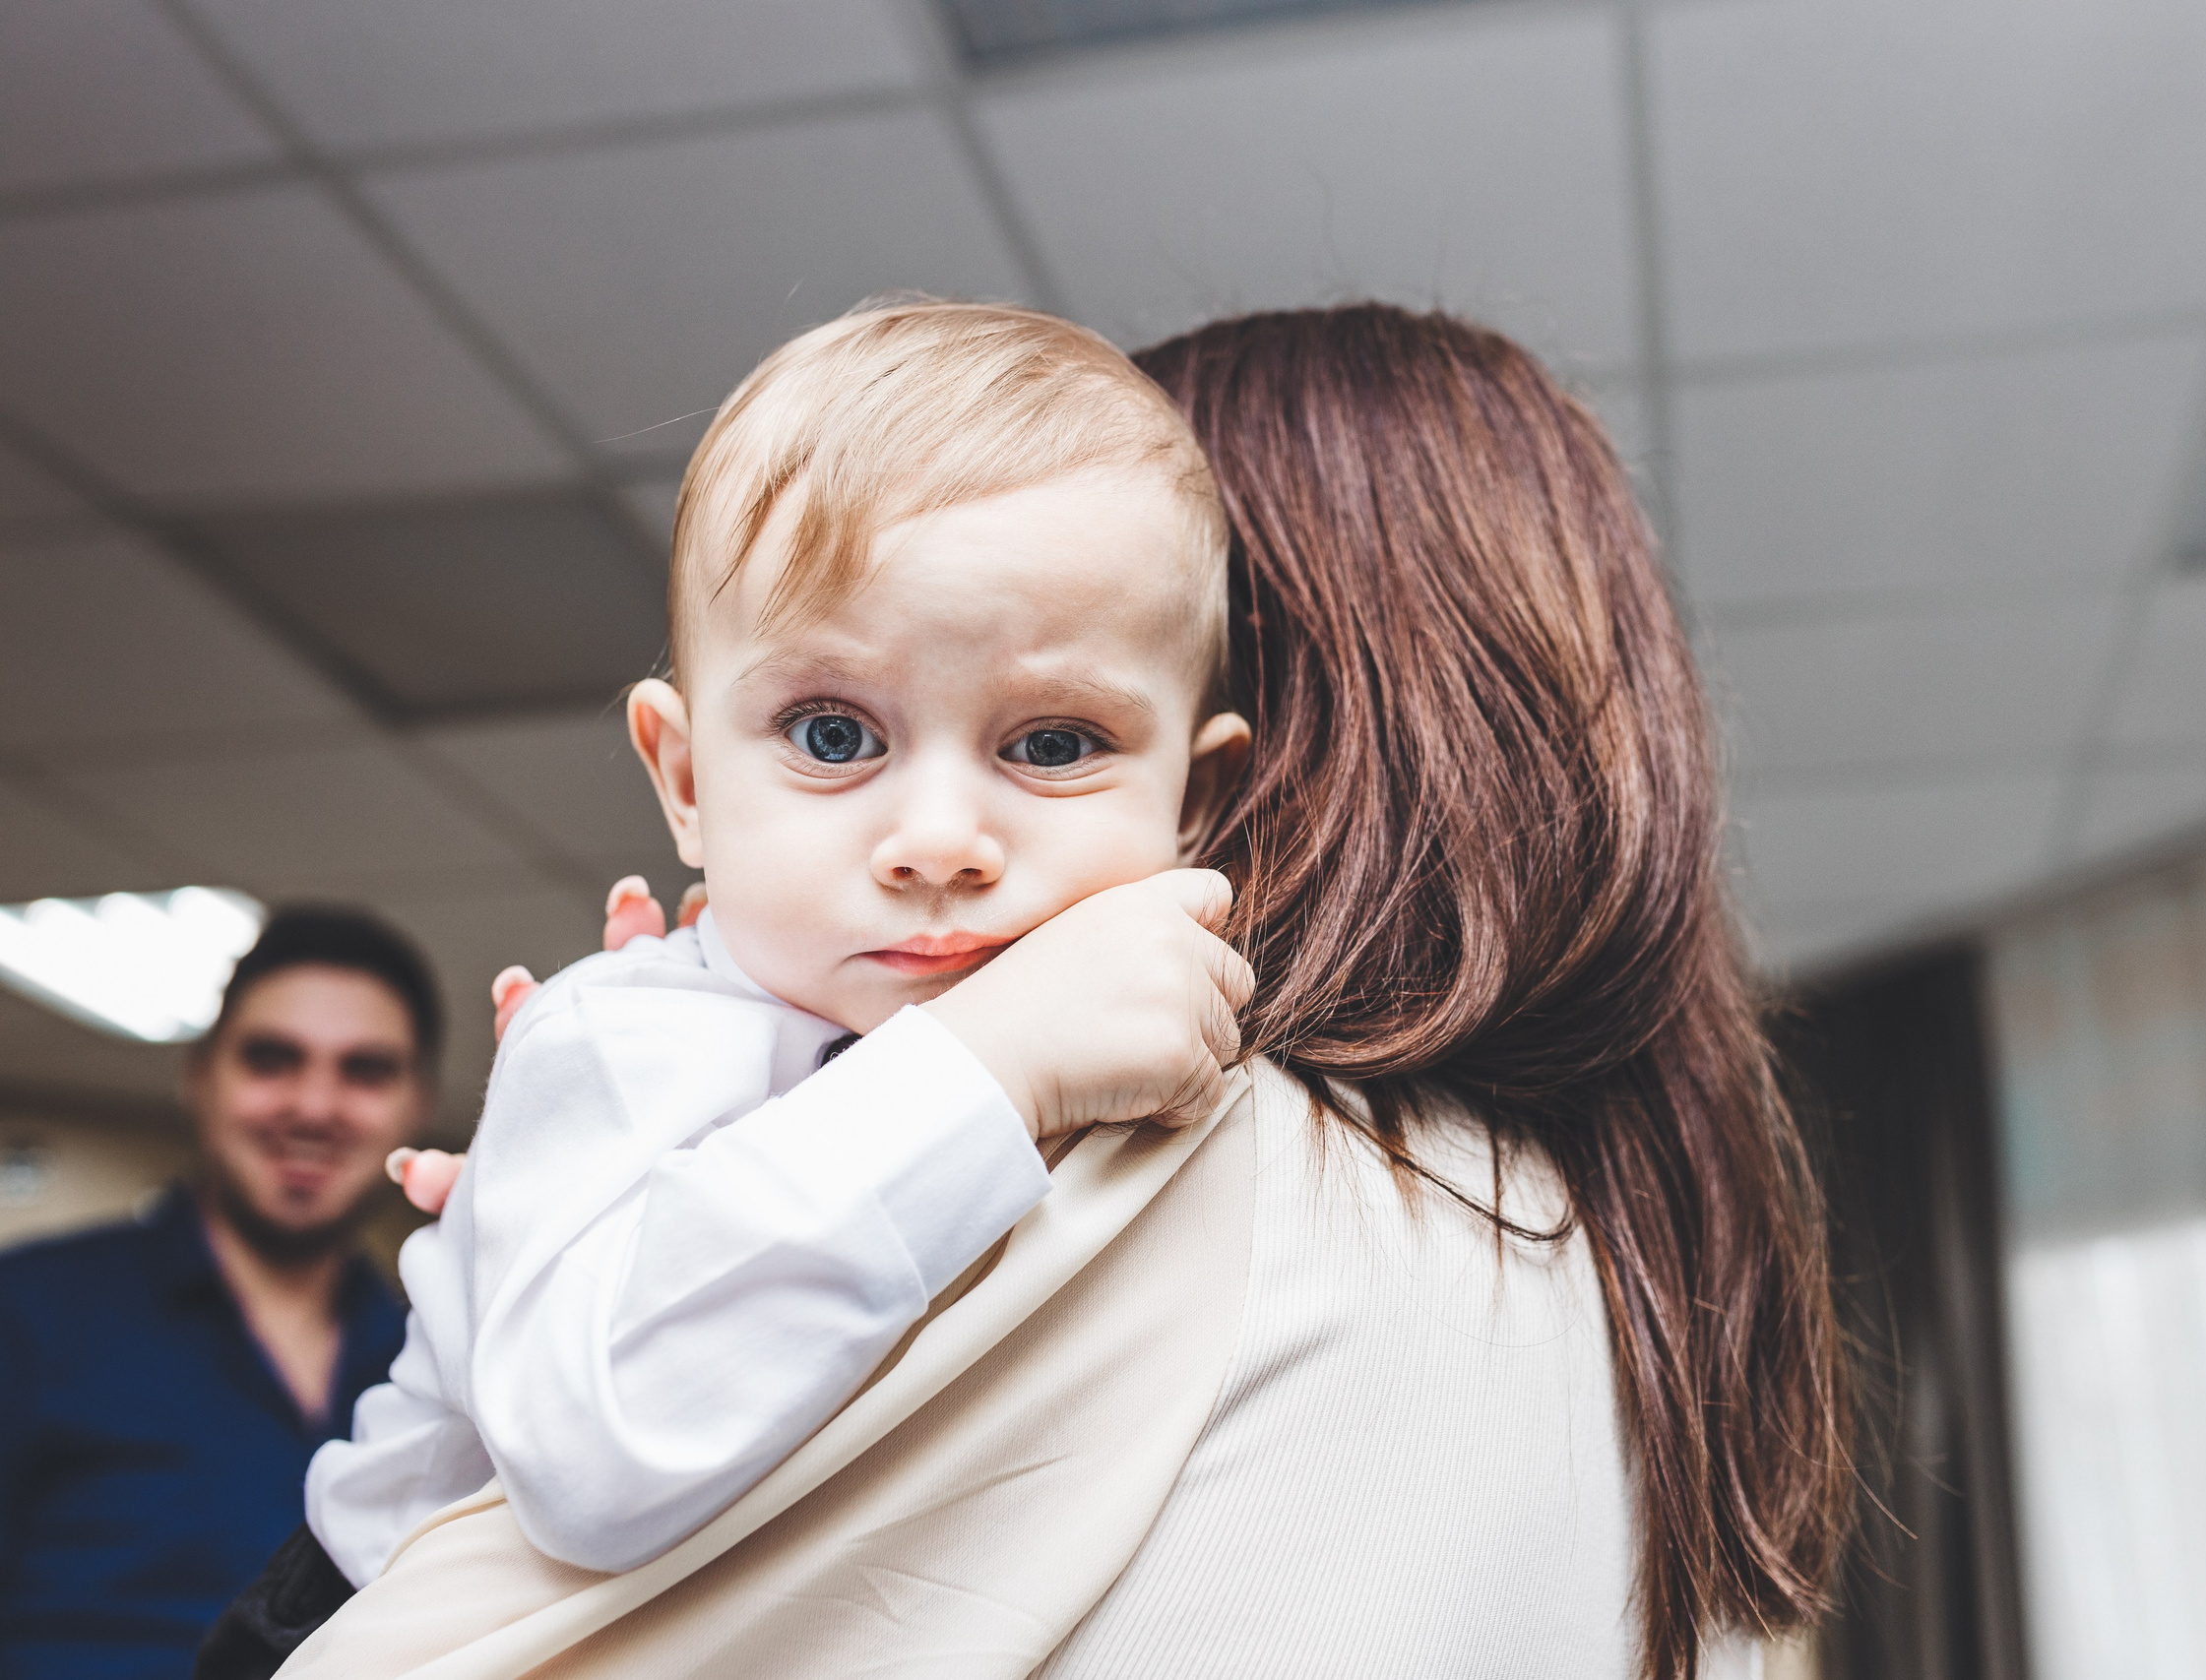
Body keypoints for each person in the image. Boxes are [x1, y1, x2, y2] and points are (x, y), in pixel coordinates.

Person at [267, 303, 1850, 1680]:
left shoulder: (1205, 1152)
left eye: (1054, 740)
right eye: (833, 732)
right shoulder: (1644, 1252)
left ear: (1230, 761)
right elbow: (594, 1433)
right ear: (680, 775)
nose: (941, 840)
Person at [0, 907, 436, 1679]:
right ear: (199, 1077)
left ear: (417, 1106)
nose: (313, 1105)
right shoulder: (26, 1311)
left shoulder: (442, 1366)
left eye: (365, 1070)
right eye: (272, 1058)